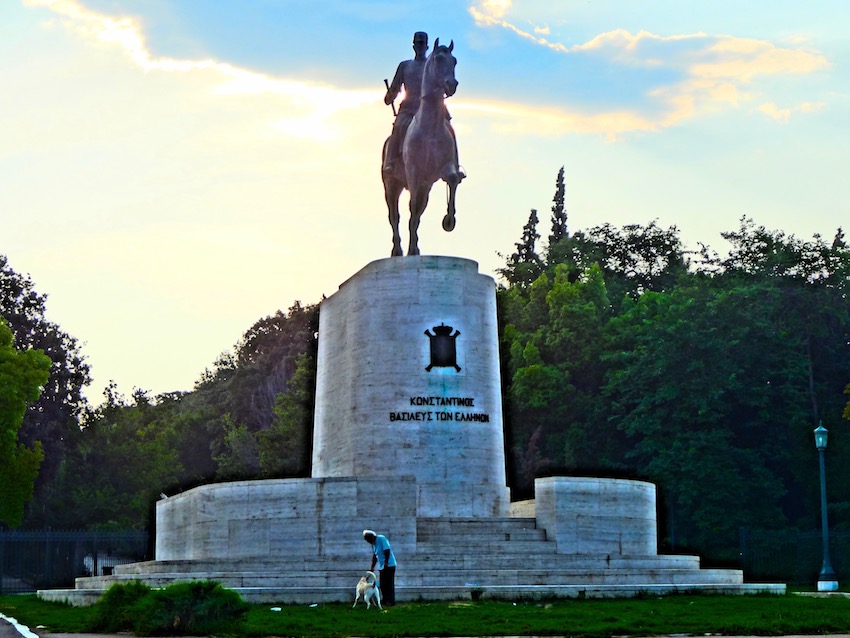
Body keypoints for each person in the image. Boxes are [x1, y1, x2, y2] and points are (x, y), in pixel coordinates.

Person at [383, 32, 460, 178]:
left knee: (449, 130)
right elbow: (394, 88)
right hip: (409, 109)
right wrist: (390, 96)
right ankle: (390, 162)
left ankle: (455, 165)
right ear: (413, 46)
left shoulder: (432, 65)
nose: (420, 46)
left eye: (422, 44)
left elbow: (443, 81)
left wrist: (448, 89)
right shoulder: (405, 66)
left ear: (427, 46)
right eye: (417, 43)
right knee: (398, 127)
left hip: (433, 109)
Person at [362, 529, 396, 606]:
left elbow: (387, 550)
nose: (368, 541)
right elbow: (375, 556)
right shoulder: (373, 544)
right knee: (383, 584)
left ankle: (390, 601)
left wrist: (386, 562)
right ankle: (385, 600)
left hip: (389, 565)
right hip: (382, 566)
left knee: (389, 583)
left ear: (371, 537)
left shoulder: (381, 538)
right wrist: (372, 568)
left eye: (368, 539)